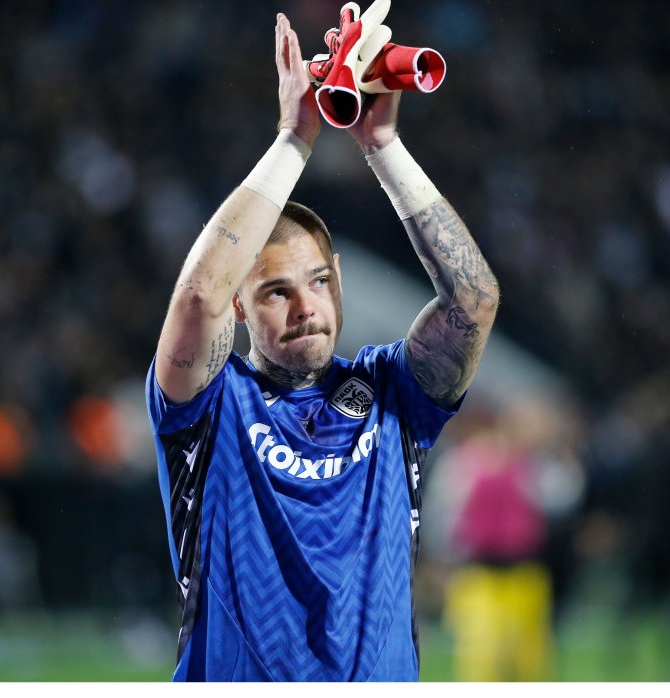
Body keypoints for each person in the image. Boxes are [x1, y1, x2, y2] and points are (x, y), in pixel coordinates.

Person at [145, 13, 498, 681]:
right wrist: (295, 138)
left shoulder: (391, 392)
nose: (306, 307)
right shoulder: (209, 405)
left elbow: (474, 302)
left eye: (317, 282)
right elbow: (198, 297)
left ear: (337, 278)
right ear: (240, 306)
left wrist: (383, 145)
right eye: (276, 292)